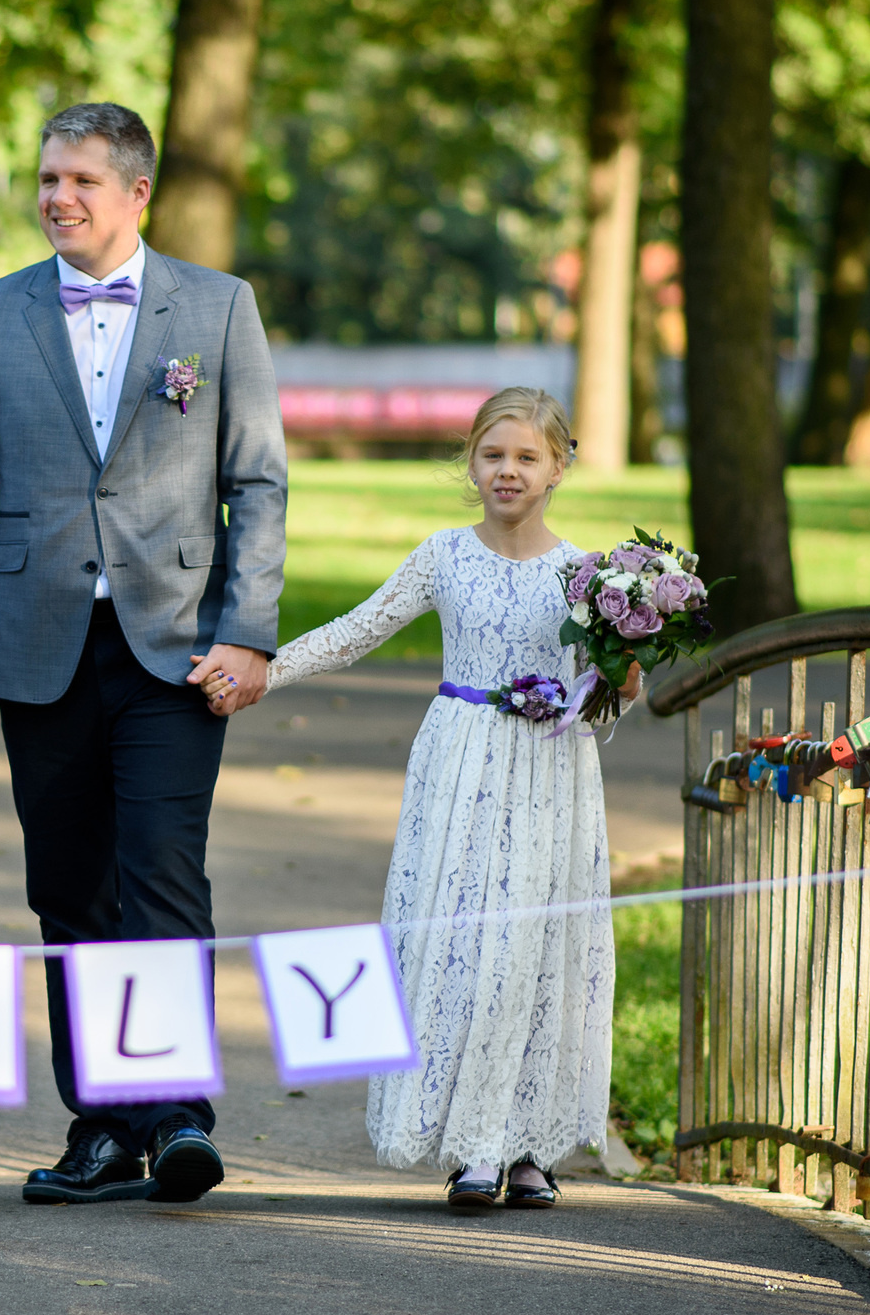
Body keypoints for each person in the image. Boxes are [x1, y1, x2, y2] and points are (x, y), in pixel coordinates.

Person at [0, 101, 288, 1206]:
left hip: (176, 646)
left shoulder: (218, 308)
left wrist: (246, 630)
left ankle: (173, 1111)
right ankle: (100, 1125)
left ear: (138, 192)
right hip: (36, 644)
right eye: (45, 177)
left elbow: (257, 480)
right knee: (68, 886)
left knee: (161, 875)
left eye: (80, 178)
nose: (56, 197)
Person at [258, 388, 631, 1212]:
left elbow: (606, 697)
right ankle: (471, 1143)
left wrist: (627, 666)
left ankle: (529, 1145)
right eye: (493, 455)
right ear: (470, 460)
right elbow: (358, 628)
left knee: (537, 943)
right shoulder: (443, 555)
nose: (508, 471)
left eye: (527, 457)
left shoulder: (587, 576)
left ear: (559, 466)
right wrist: (265, 668)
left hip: (549, 772)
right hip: (459, 765)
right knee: (462, 940)